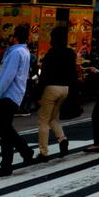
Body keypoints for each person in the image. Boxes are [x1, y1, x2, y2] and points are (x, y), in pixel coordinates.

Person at [0, 25, 35, 175]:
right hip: (14, 94)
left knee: (4, 130)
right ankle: (25, 151)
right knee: (6, 128)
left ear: (15, 37)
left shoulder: (16, 53)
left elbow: (7, 76)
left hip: (8, 94)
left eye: (12, 35)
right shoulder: (23, 51)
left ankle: (7, 164)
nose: (10, 37)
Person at [34, 24, 77, 162]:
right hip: (65, 89)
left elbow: (44, 75)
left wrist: (39, 94)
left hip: (51, 88)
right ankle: (62, 138)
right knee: (53, 118)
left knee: (43, 120)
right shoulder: (70, 53)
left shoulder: (51, 54)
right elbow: (73, 73)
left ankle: (43, 151)